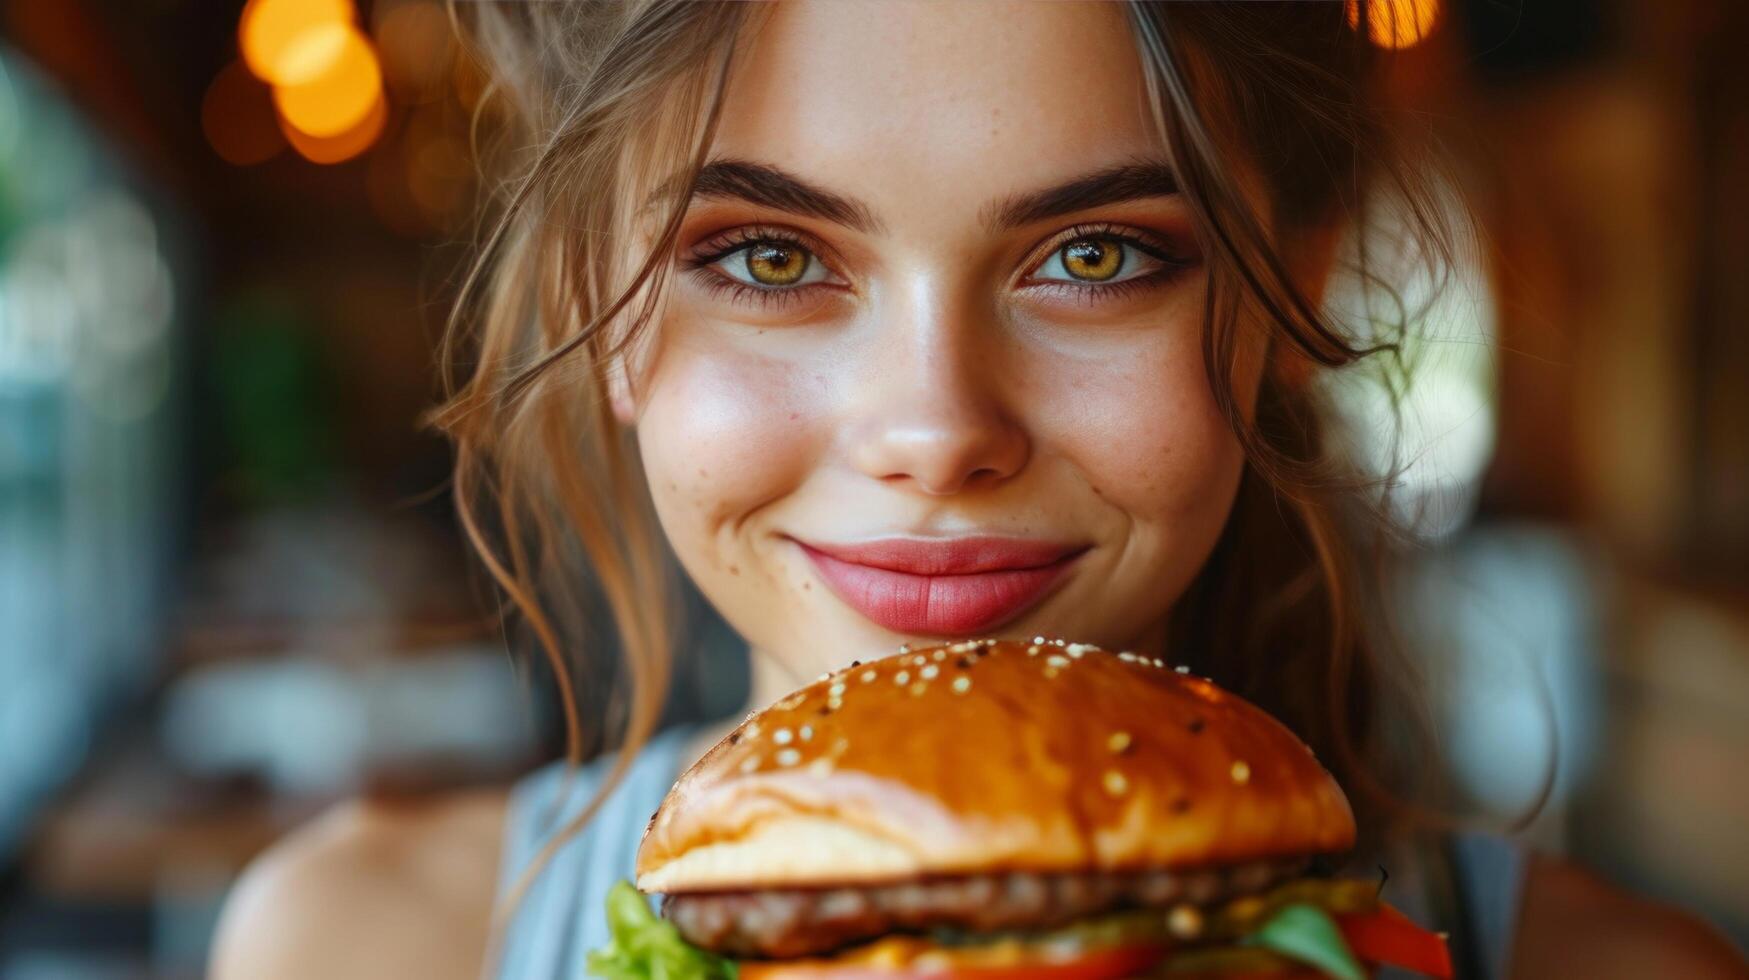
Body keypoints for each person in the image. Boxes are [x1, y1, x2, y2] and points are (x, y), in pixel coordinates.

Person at [209, 3, 1747, 979]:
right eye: (767, 257)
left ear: (1295, 290)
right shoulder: (357, 945)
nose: (935, 429)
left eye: (1094, 258)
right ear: (590, 302)